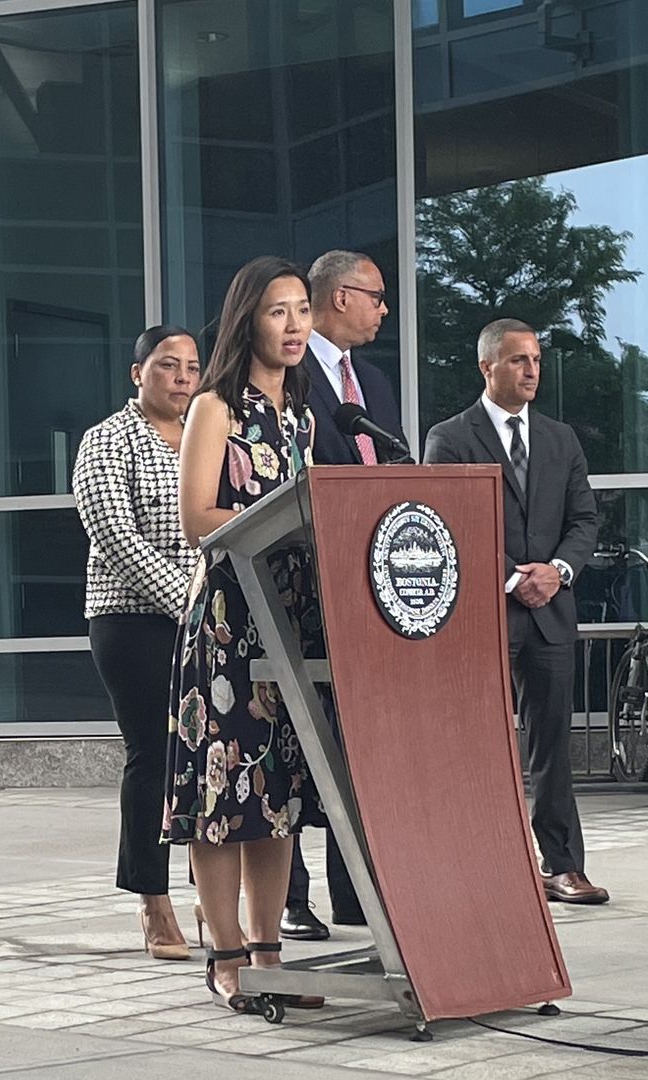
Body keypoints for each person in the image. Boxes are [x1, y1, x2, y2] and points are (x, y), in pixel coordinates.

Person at [163, 255, 330, 1012]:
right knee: (223, 790)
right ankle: (226, 953)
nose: (294, 326)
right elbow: (196, 516)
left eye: (302, 310)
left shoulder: (302, 414)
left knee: (277, 795)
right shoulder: (215, 407)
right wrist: (266, 533)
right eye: (278, 312)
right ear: (248, 321)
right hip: (229, 621)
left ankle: (271, 953)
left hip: (287, 620)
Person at [423, 318, 606, 905]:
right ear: (487, 367)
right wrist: (510, 576)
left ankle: (562, 866)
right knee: (477, 742)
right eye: (519, 360)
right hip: (484, 613)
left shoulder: (561, 439)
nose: (532, 370)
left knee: (551, 743)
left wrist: (558, 572)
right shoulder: (449, 438)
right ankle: (479, 864)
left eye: (536, 360)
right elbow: (448, 522)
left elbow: (585, 521)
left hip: (552, 610)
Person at [281, 249, 406, 940]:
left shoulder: (376, 383)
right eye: (376, 295)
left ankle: (355, 893)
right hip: (302, 583)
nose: (383, 309)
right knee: (303, 738)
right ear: (339, 297)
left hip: (367, 586)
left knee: (357, 742)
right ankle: (290, 896)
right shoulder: (289, 374)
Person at [74, 325, 202, 962]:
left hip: (210, 619)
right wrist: (191, 600)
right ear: (138, 373)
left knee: (211, 755)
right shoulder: (106, 441)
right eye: (167, 365)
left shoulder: (212, 437)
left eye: (191, 367)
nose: (182, 377)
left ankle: (214, 888)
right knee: (153, 753)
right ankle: (153, 900)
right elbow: (117, 541)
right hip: (133, 620)